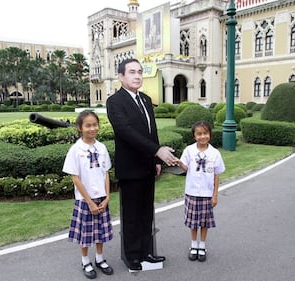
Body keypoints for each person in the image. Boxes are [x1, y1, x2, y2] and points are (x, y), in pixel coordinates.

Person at [106, 58, 178, 272]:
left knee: (147, 213)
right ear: (121, 76)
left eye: (139, 72)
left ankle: (147, 253)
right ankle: (132, 256)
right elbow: (126, 132)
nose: (137, 76)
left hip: (147, 166)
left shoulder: (146, 99)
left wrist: (156, 160)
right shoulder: (115, 101)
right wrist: (157, 151)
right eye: (131, 72)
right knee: (132, 215)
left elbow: (151, 132)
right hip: (130, 169)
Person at [62, 110, 114, 279]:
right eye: (88, 125)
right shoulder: (76, 150)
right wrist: (89, 202)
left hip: (101, 197)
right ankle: (85, 261)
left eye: (95, 125)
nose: (92, 128)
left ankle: (99, 258)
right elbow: (75, 178)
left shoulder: (102, 147)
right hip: (85, 200)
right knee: (86, 233)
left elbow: (106, 172)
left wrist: (107, 196)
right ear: (80, 128)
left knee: (100, 232)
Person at [176, 121, 225, 262]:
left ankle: (202, 246)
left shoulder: (215, 153)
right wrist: (178, 162)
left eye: (205, 133)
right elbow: (185, 168)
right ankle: (193, 245)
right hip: (191, 192)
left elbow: (216, 176)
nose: (202, 136)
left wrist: (215, 195)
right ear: (194, 136)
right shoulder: (189, 151)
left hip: (206, 194)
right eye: (199, 134)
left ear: (210, 134)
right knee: (193, 221)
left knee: (204, 222)